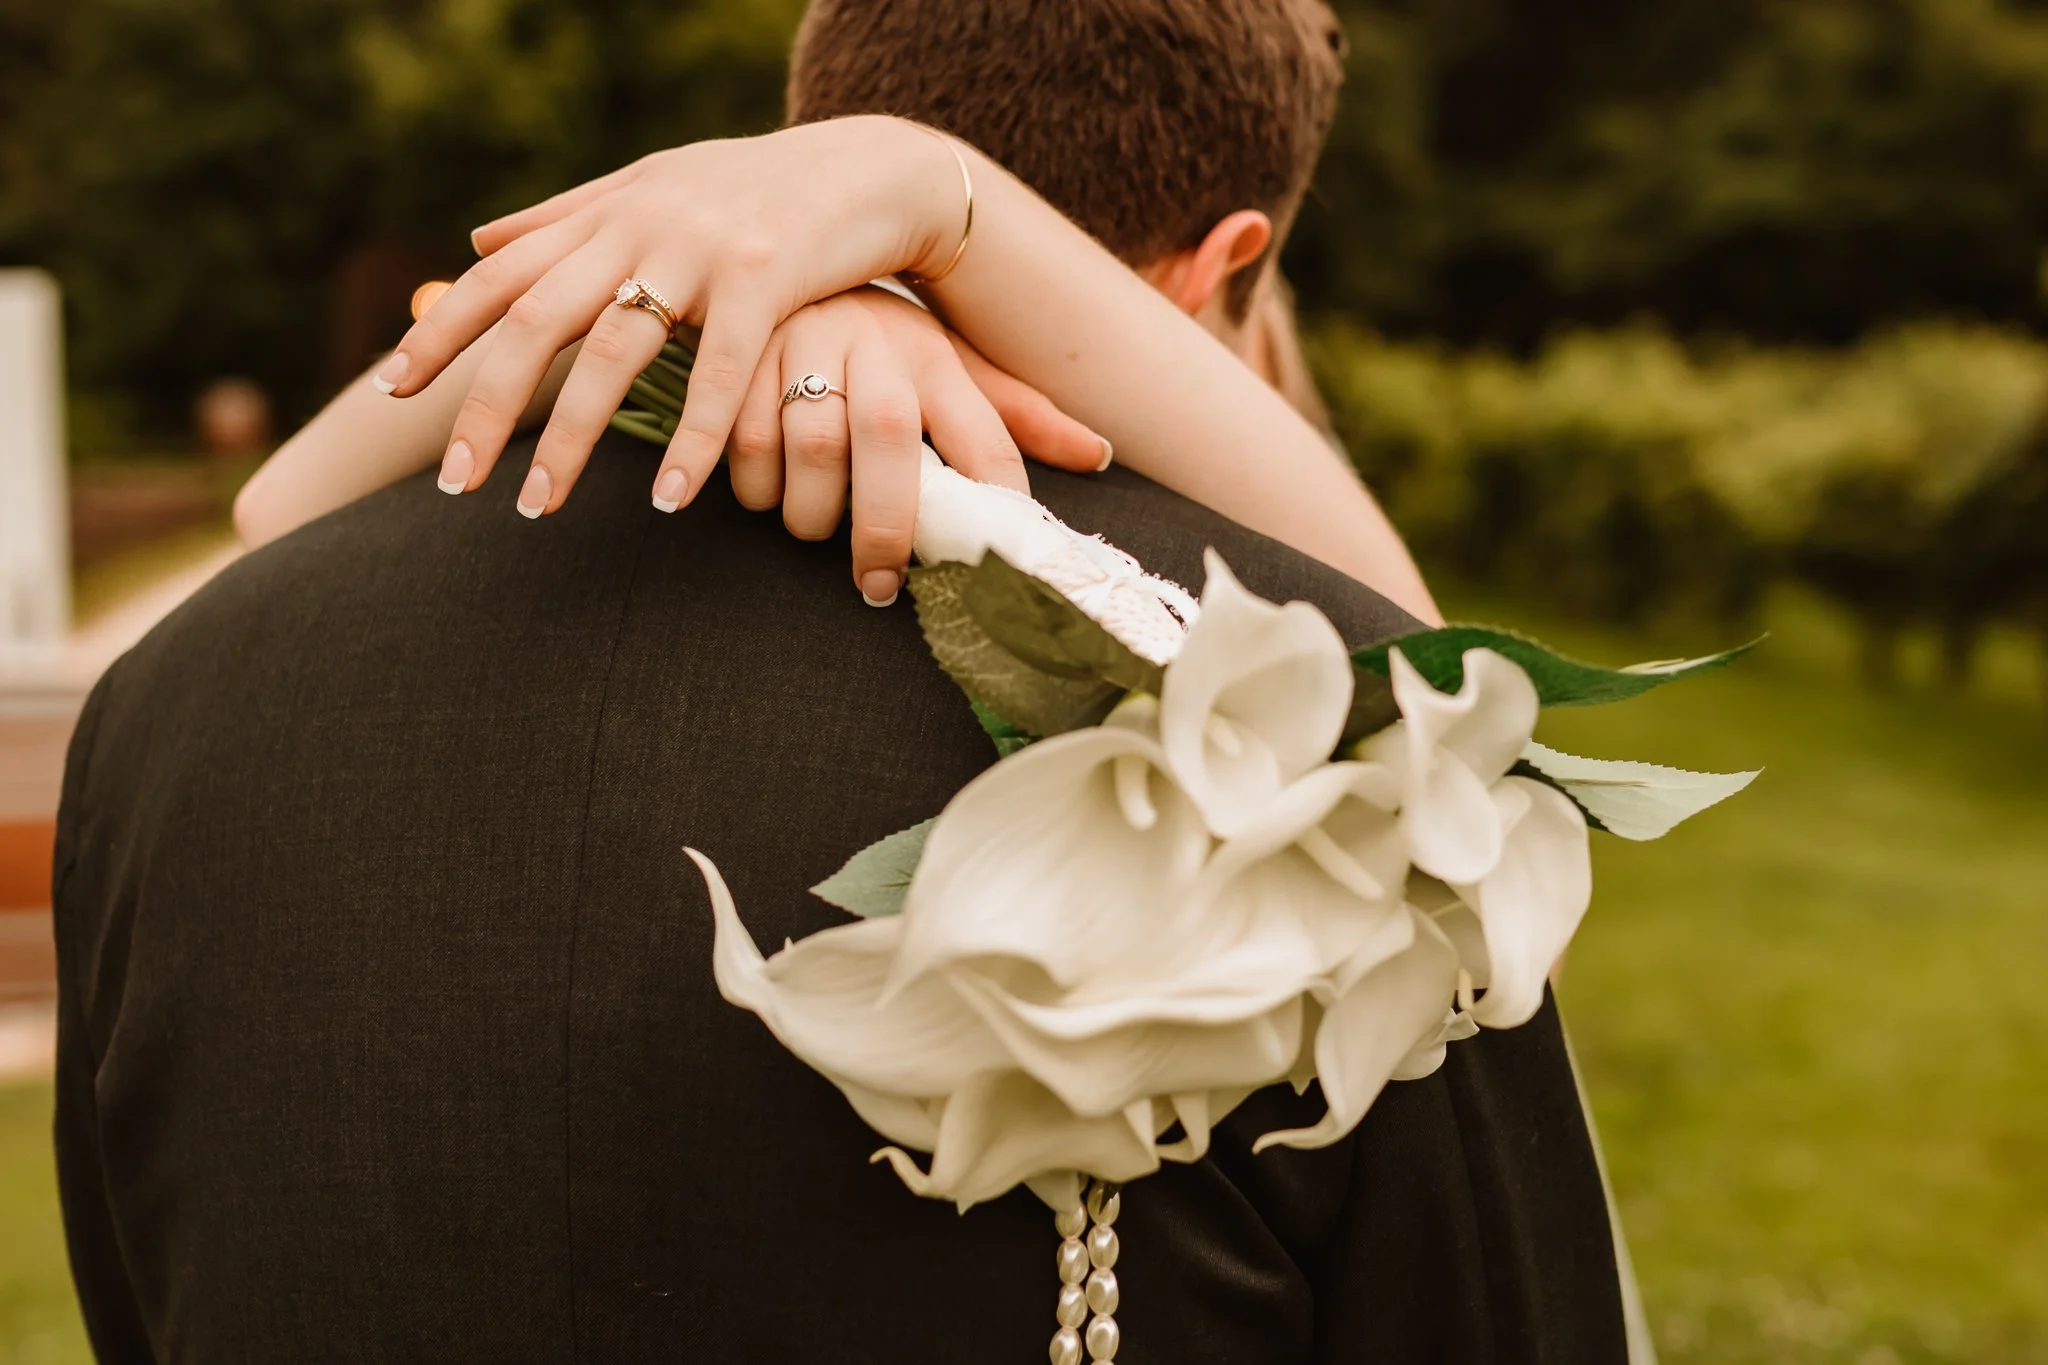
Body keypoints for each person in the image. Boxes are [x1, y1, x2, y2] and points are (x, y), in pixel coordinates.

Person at [54, 4, 1631, 1361]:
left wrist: (840, 247)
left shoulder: (173, 698)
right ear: (1232, 260)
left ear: (773, 152)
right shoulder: (1329, 744)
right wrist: (943, 220)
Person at [232, 0, 1438, 625]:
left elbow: (271, 509)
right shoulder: (1252, 572)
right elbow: (1456, 733)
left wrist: (912, 206)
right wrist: (915, 243)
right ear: (1224, 261)